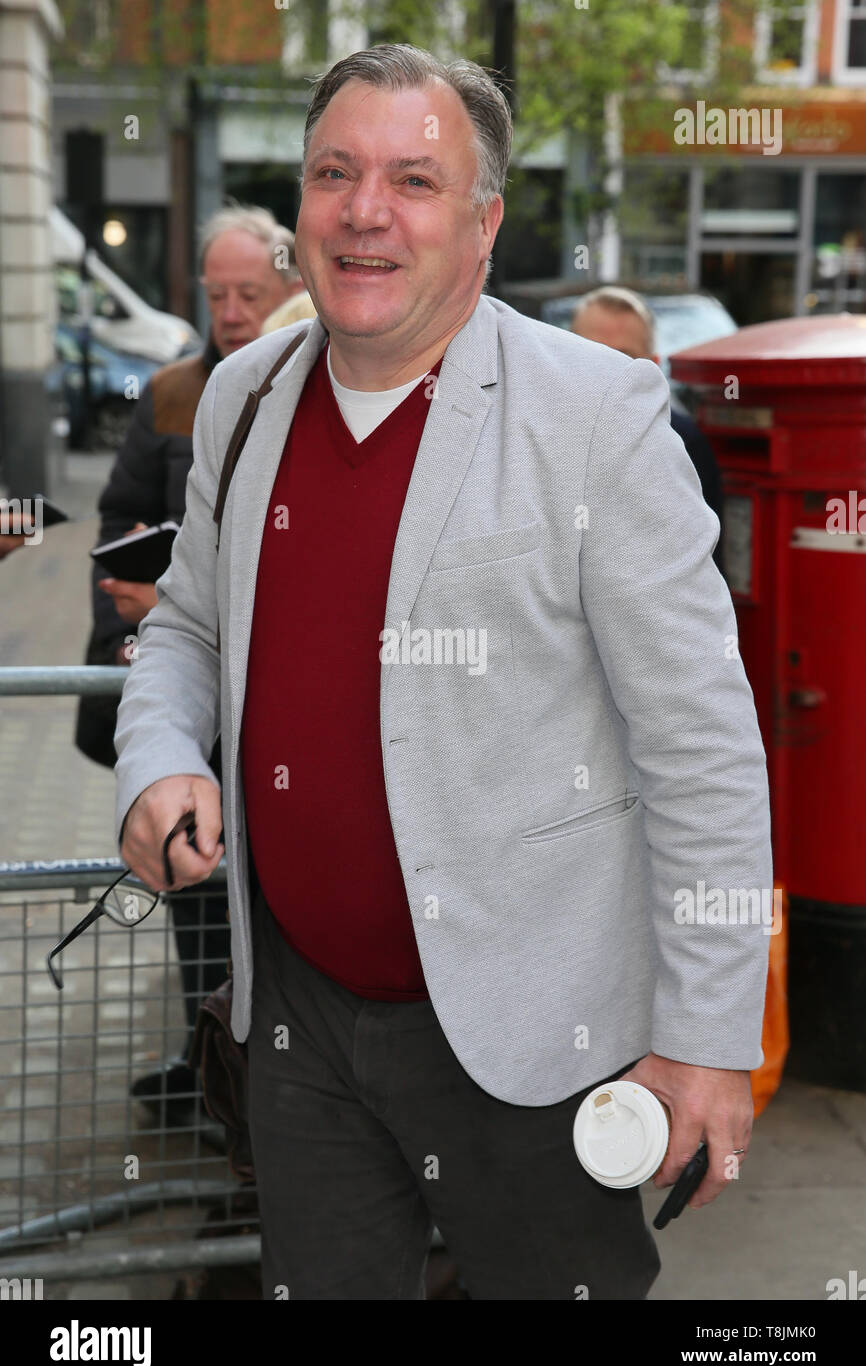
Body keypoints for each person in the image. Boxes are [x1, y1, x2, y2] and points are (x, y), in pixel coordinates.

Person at [112, 43, 772, 1300]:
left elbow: (702, 745)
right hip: (297, 1017)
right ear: (300, 201)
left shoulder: (596, 416)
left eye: (414, 179)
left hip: (531, 1040)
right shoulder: (241, 401)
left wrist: (700, 1040)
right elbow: (185, 628)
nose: (366, 211)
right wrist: (158, 760)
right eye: (334, 172)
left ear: (482, 222)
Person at [77, 204, 298, 1119]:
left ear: (288, 286)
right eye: (218, 294)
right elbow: (115, 512)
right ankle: (207, 1059)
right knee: (195, 891)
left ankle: (262, 1080)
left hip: (271, 712)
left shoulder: (297, 382)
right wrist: (130, 577)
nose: (232, 311)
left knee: (272, 905)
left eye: (250, 293)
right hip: (197, 703)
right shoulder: (173, 391)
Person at [571, 285, 726, 573]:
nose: (605, 369)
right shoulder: (533, 432)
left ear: (653, 366)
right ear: (562, 354)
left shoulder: (683, 442)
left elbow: (704, 565)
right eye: (590, 352)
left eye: (624, 357)